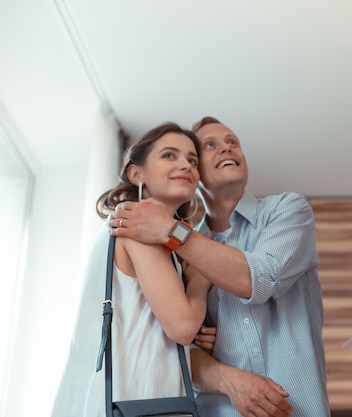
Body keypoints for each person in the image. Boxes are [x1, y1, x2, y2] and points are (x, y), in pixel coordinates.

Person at [109, 117, 330, 417]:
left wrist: (172, 231)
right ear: (196, 174)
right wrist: (226, 377)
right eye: (210, 146)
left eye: (232, 142)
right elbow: (180, 351)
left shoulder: (288, 210)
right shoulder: (176, 253)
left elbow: (261, 278)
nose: (227, 149)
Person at [52, 122, 212, 416]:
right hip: (139, 398)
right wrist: (201, 277)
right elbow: (183, 326)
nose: (186, 165)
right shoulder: (137, 224)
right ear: (137, 174)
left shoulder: (137, 229)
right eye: (169, 155)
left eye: (192, 160)